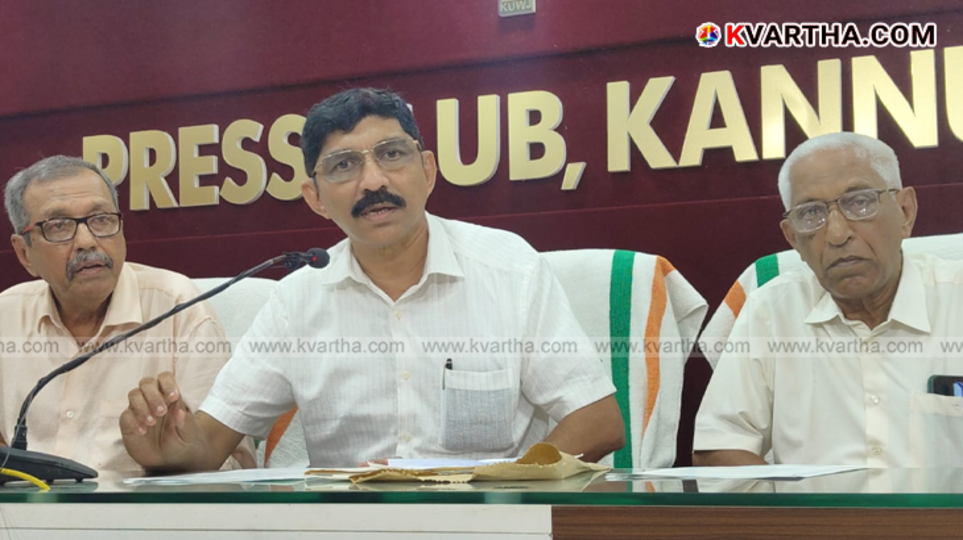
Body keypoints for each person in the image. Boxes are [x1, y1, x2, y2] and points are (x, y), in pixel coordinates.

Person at [121, 88, 625, 472]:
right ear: (315, 197)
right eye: (343, 166)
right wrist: (167, 450)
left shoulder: (509, 268)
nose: (374, 182)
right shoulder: (298, 299)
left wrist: (500, 490)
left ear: (427, 170)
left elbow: (599, 422)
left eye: (392, 155)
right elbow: (209, 443)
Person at [693, 132, 963, 467]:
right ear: (793, 238)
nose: (837, 234)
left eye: (860, 202)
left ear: (905, 211)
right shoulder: (771, 312)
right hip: (808, 521)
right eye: (810, 214)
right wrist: (794, 520)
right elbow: (718, 445)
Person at [1, 156, 253, 472]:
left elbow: (235, 463)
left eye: (101, 219)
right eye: (59, 226)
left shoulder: (178, 306)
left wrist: (173, 461)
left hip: (142, 518)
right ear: (25, 253)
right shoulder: (6, 317)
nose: (86, 241)